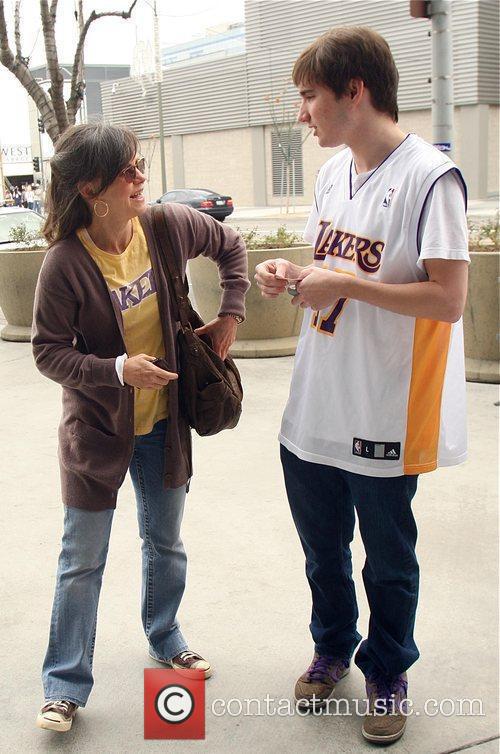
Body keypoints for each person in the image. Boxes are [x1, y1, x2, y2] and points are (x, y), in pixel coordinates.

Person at [255, 26, 469, 745]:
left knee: (389, 558)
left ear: (356, 90)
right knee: (322, 551)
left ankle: (387, 671)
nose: (301, 113)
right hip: (316, 400)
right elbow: (339, 276)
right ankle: (332, 647)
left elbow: (447, 299)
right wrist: (297, 278)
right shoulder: (329, 174)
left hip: (386, 402)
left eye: (309, 96)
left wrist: (346, 281)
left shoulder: (429, 179)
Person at [32, 123, 249, 733]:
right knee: (81, 559)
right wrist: (116, 370)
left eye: (140, 165)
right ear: (89, 188)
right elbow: (48, 353)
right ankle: (64, 684)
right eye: (127, 171)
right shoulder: (65, 264)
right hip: (98, 434)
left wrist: (231, 313)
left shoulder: (164, 224)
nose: (140, 179)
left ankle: (166, 634)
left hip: (165, 428)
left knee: (166, 542)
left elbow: (230, 245)